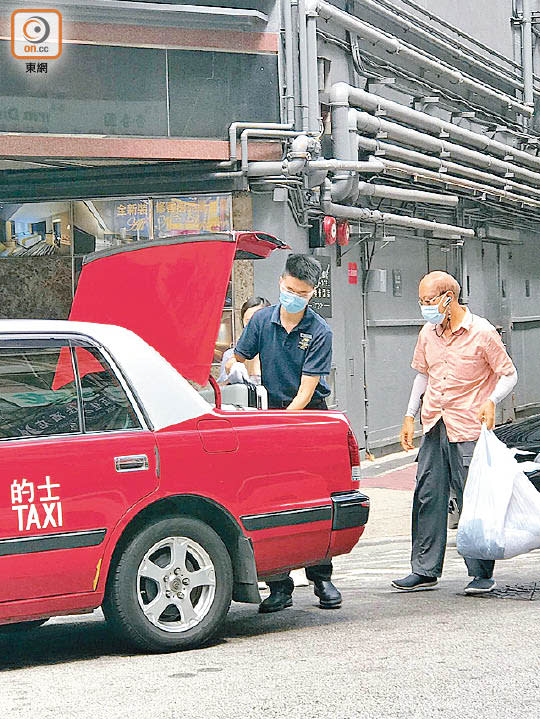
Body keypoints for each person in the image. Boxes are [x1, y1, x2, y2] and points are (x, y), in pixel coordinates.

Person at [226, 253, 341, 612]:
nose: (294, 297)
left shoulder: (319, 332)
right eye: (290, 289)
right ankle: (279, 585)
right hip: (269, 419)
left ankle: (322, 579)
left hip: (305, 421)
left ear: (312, 292)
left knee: (314, 499)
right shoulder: (261, 320)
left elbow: (306, 392)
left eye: (302, 293)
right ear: (281, 282)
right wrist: (234, 368)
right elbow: (238, 356)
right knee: (271, 502)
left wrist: (282, 424)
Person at [392, 271, 517, 595]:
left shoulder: (482, 332)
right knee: (427, 497)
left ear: (449, 298)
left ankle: (480, 572)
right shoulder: (428, 333)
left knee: (470, 500)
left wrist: (491, 400)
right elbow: (423, 376)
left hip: (468, 427)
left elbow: (508, 375)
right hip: (435, 424)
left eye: (429, 301)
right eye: (421, 302)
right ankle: (424, 570)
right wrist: (409, 416)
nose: (424, 308)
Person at [217, 296, 270, 385]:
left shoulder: (278, 352)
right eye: (249, 321)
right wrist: (232, 378)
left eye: (258, 321)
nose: (254, 326)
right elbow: (221, 390)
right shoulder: (231, 355)